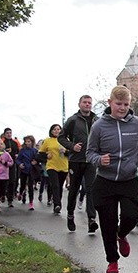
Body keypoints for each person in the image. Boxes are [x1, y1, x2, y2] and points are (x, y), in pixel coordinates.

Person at [86, 85, 138, 273]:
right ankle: (112, 261)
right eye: (118, 104)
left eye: (126, 104)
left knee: (132, 216)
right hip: (105, 180)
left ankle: (121, 234)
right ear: (110, 103)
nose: (122, 108)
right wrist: (99, 160)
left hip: (129, 178)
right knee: (107, 222)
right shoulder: (99, 126)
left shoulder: (137, 124)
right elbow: (89, 152)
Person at [58, 95, 99, 233]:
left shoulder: (96, 120)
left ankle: (92, 219)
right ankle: (70, 215)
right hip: (76, 160)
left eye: (89, 103)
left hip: (91, 160)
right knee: (74, 189)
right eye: (85, 102)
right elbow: (61, 137)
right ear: (79, 104)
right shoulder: (73, 120)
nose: (87, 105)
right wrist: (72, 146)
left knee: (91, 189)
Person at [38, 124, 69, 216]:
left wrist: (66, 151)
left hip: (63, 166)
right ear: (51, 131)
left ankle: (57, 204)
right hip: (52, 166)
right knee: (55, 185)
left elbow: (72, 153)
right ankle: (57, 204)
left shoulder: (65, 140)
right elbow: (40, 154)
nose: (56, 131)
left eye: (58, 129)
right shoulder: (47, 141)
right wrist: (46, 156)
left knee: (59, 186)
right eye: (54, 129)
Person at [16, 135, 38, 211]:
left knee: (30, 187)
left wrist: (36, 162)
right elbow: (18, 159)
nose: (27, 143)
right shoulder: (22, 150)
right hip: (24, 169)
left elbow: (38, 159)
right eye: (26, 141)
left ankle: (31, 202)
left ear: (32, 142)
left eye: (29, 141)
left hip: (31, 170)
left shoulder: (34, 150)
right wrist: (20, 164)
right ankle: (21, 193)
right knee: (22, 184)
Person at [2, 128, 19, 207]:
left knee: (12, 181)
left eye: (10, 133)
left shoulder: (15, 143)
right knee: (4, 181)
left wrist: (17, 155)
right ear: (4, 134)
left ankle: (10, 199)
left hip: (12, 164)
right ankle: (3, 194)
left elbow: (19, 152)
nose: (9, 134)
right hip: (3, 165)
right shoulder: (2, 142)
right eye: (7, 133)